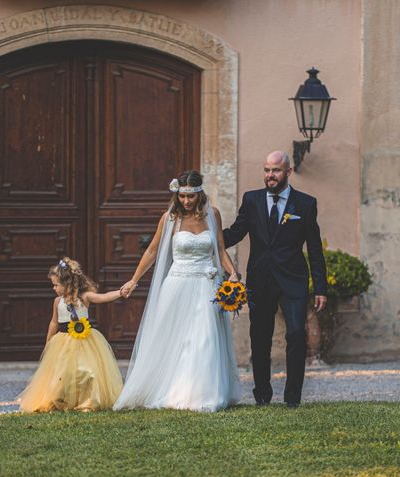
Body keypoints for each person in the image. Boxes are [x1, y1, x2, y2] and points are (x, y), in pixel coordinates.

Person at [114, 170, 241, 412]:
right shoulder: (170, 218)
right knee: (175, 338)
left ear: (199, 194)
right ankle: (173, 389)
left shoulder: (212, 215)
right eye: (181, 197)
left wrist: (232, 274)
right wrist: (134, 280)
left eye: (190, 197)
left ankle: (202, 393)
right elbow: (152, 251)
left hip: (206, 284)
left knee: (204, 338)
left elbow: (221, 250)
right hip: (177, 284)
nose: (185, 202)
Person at [223, 150, 327, 408]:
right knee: (260, 337)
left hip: (293, 280)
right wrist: (205, 235)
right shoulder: (252, 200)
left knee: (295, 333)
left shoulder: (305, 204)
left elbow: (314, 248)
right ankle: (262, 395)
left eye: (276, 170)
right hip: (260, 280)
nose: (270, 175)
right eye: (267, 170)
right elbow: (236, 233)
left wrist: (321, 288)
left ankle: (293, 398)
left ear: (288, 172)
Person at [17, 257, 124, 413]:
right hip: (63, 342)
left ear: (67, 283)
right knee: (62, 373)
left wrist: (120, 292)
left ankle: (88, 402)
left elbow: (103, 297)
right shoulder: (57, 301)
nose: (54, 288)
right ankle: (60, 401)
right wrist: (48, 341)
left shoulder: (85, 297)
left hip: (85, 342)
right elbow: (54, 323)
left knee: (87, 371)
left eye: (56, 285)